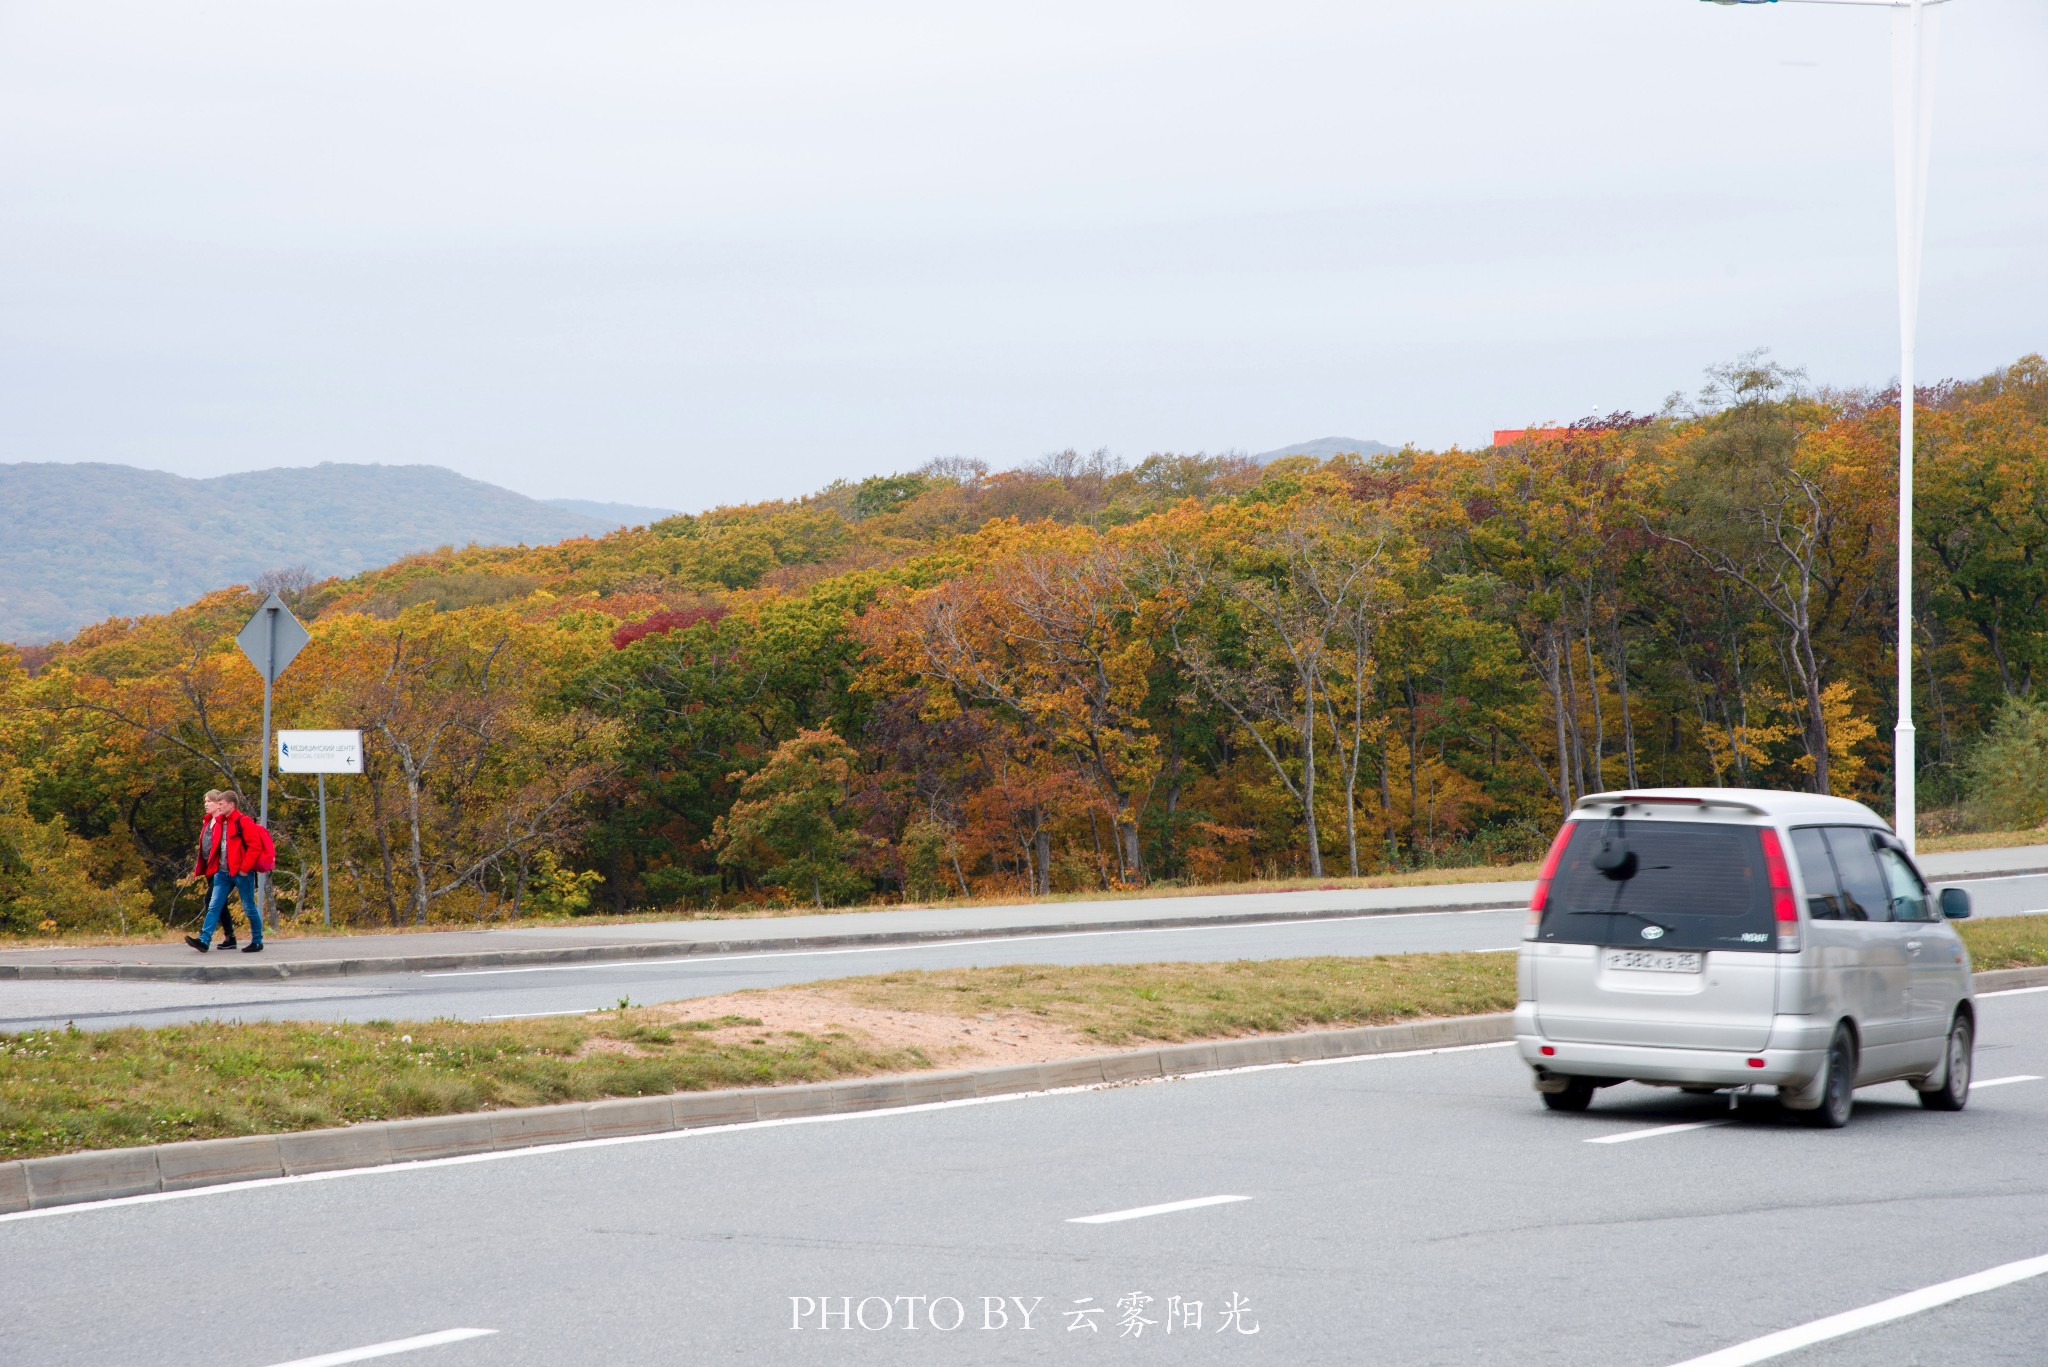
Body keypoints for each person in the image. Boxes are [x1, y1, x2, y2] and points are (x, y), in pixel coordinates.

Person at [185, 789, 264, 953]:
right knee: (214, 905)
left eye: (221, 804)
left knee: (248, 907)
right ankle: (204, 940)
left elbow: (255, 847)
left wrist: (244, 869)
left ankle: (257, 940)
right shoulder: (220, 822)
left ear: (231, 804)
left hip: (241, 873)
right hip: (222, 873)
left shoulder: (244, 822)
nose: (218, 807)